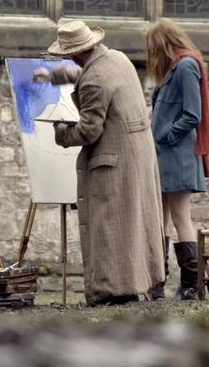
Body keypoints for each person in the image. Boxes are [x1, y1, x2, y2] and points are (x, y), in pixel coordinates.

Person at [34, 20, 164, 306]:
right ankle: (134, 283)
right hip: (137, 152)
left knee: (108, 226)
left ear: (73, 53)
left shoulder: (94, 79)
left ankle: (112, 290)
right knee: (131, 224)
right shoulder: (117, 57)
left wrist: (61, 132)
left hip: (114, 159)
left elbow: (90, 130)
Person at [145, 18, 209, 301]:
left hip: (178, 155)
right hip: (164, 155)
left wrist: (166, 135)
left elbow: (192, 115)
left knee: (179, 216)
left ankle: (190, 285)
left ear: (162, 43)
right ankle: (156, 283)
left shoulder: (186, 66)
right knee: (157, 218)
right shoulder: (173, 70)